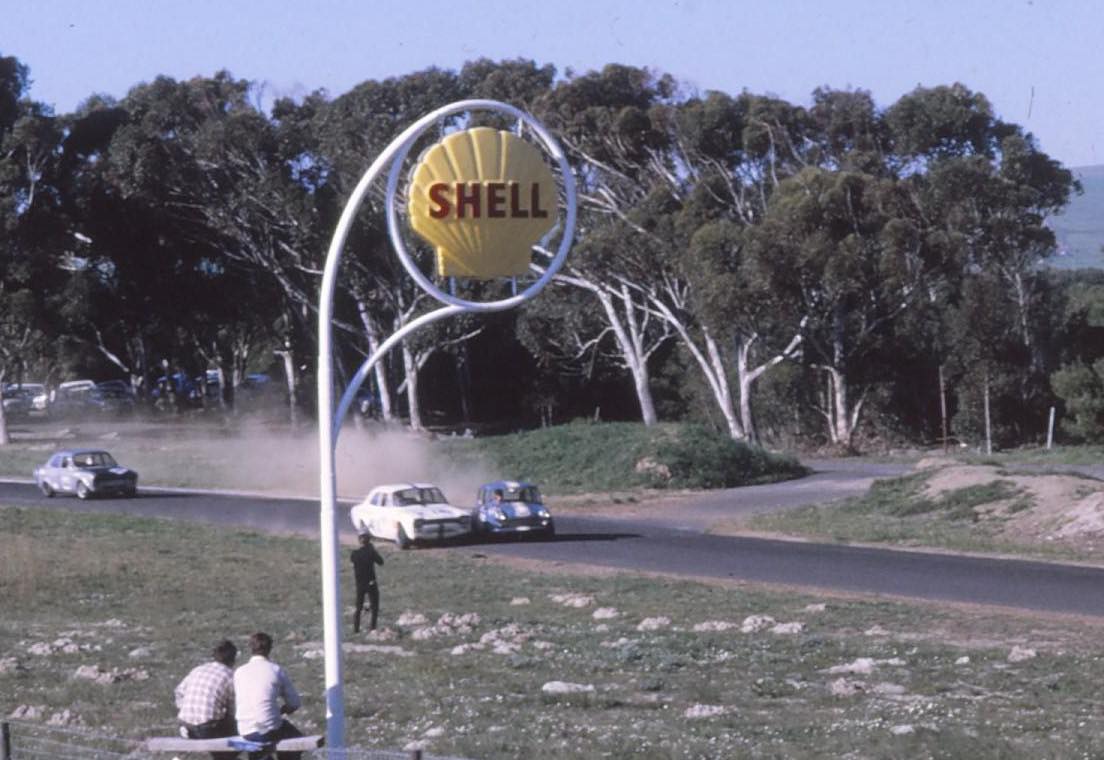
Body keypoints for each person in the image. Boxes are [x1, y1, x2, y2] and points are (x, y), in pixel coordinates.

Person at [233, 632, 303, 760]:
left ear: (250, 648)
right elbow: (294, 703)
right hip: (267, 727)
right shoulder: (275, 670)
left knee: (259, 747)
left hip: (244, 728)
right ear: (270, 648)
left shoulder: (239, 672)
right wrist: (283, 710)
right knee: (295, 738)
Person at [174, 639, 239, 760]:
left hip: (185, 722)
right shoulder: (230, 676)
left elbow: (179, 691)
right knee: (237, 733)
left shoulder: (199, 669)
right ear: (233, 659)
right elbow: (233, 709)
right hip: (207, 727)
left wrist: (185, 708)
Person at [351, 533, 385, 633]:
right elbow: (381, 562)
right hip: (371, 583)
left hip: (360, 584)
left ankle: (356, 628)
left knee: (358, 607)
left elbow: (352, 560)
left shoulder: (355, 554)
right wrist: (373, 550)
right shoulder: (371, 552)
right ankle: (373, 627)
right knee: (374, 606)